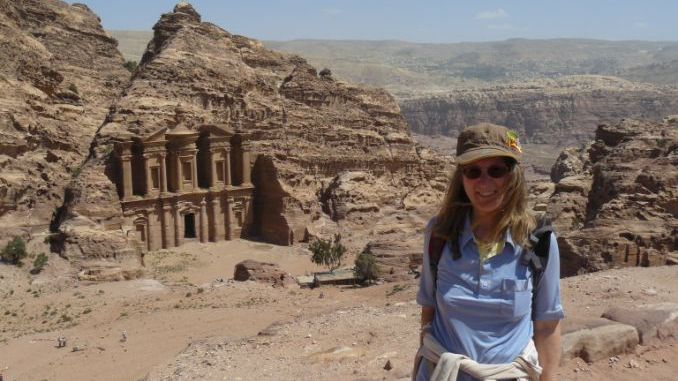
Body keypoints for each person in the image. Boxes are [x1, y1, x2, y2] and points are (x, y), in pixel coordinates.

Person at [414, 123, 564, 381]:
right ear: (461, 179)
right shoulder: (440, 234)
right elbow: (428, 308)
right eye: (473, 172)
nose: (484, 182)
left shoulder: (538, 240)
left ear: (513, 175)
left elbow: (547, 325)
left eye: (496, 170)